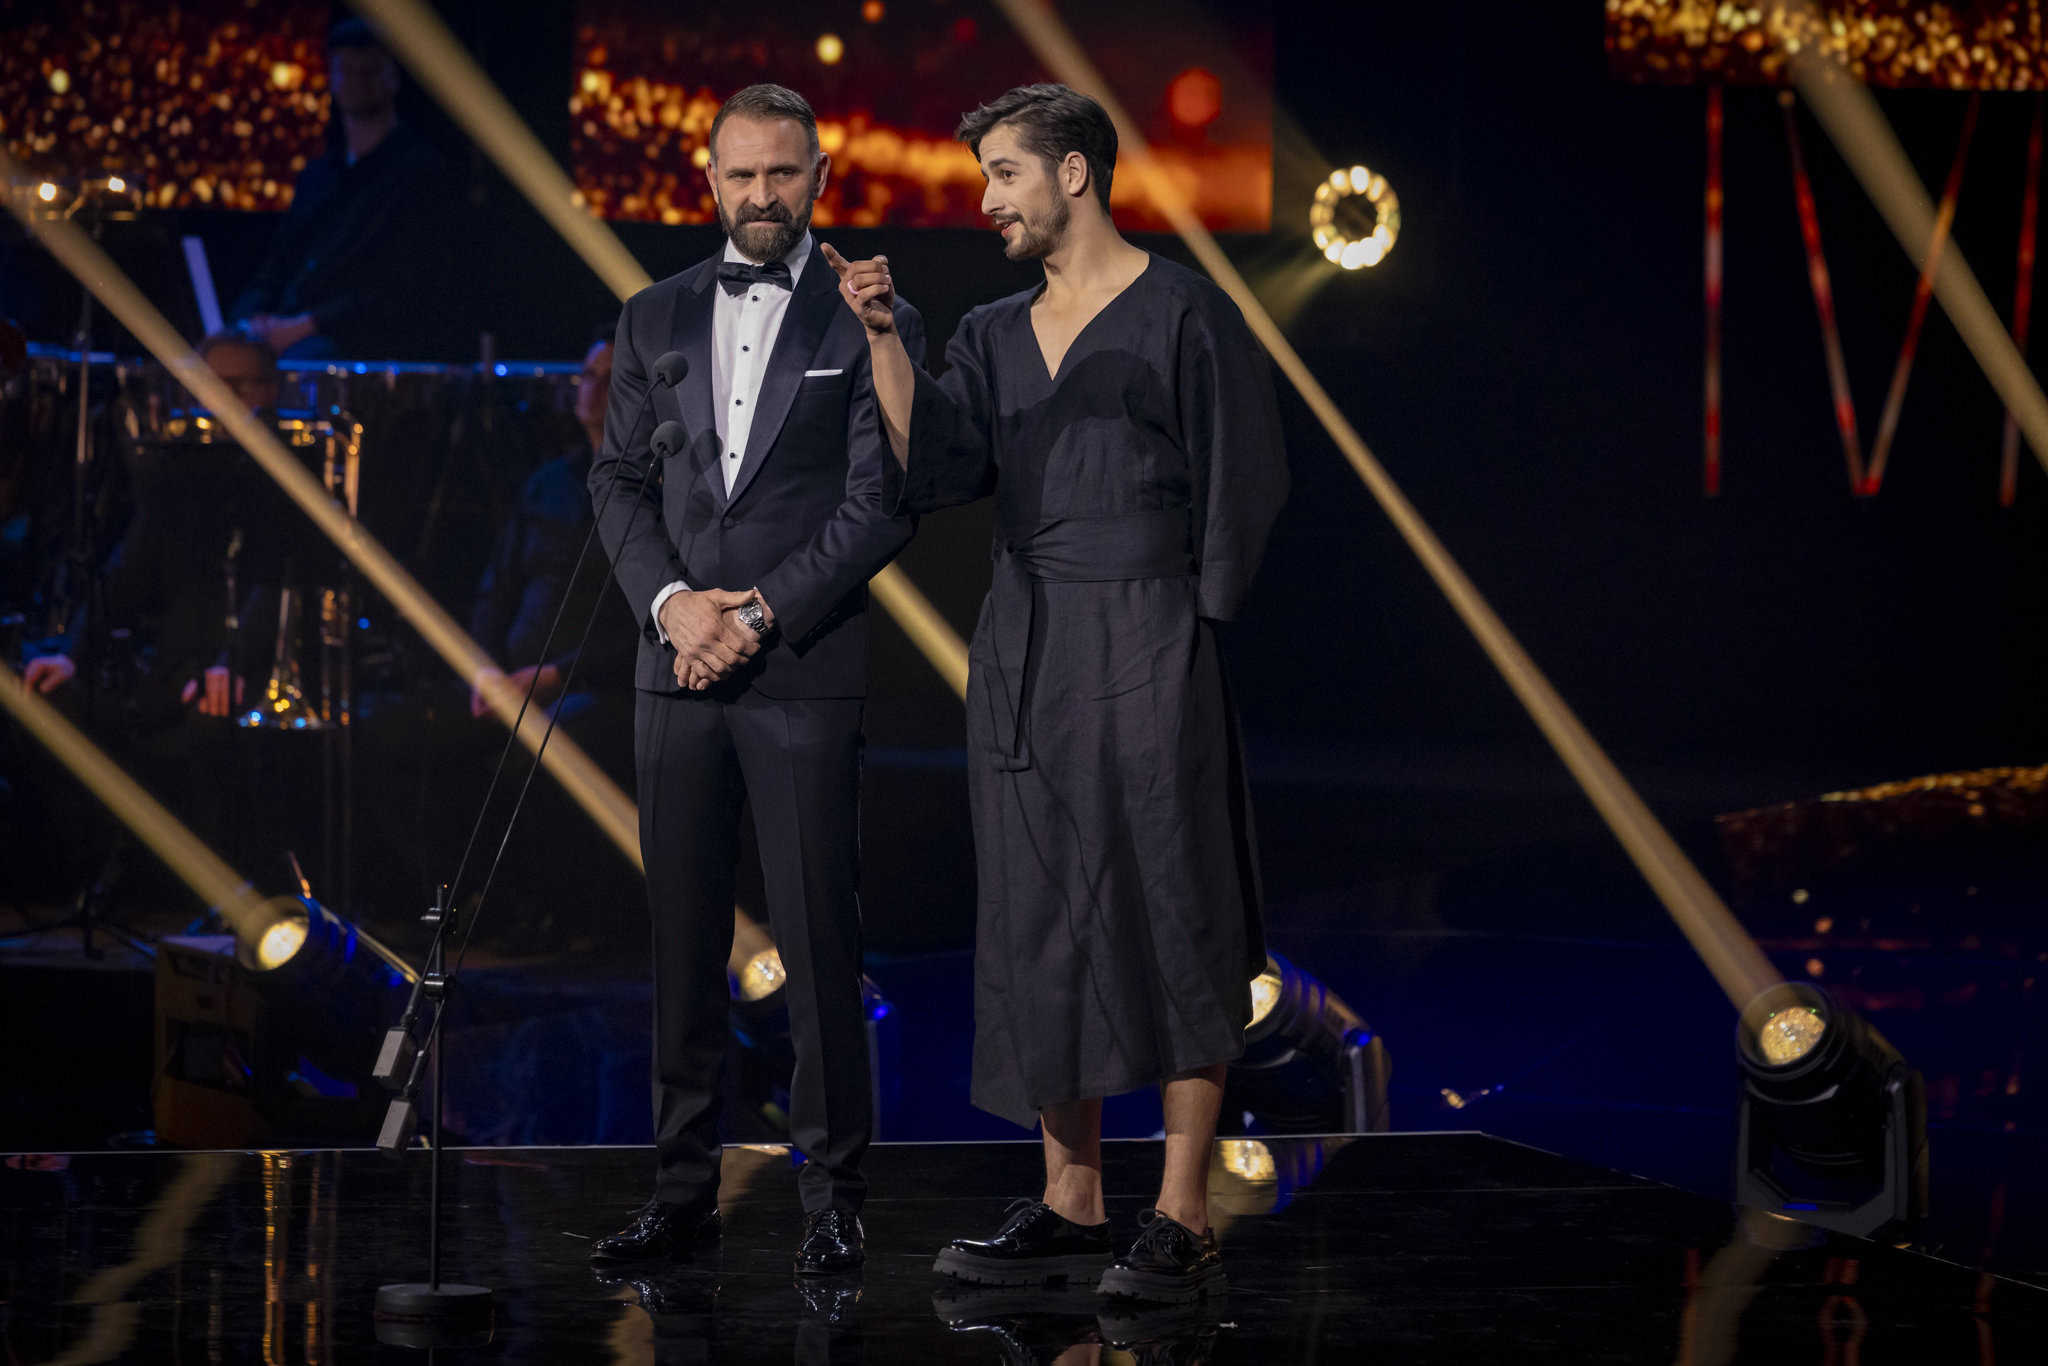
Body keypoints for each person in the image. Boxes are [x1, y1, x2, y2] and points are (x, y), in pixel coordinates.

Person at [822, 82, 1289, 1303]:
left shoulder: (1181, 309)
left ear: (1072, 172)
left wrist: (1194, 618)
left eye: (1004, 174)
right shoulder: (987, 331)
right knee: (1036, 913)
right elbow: (935, 466)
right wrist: (883, 336)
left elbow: (1244, 468)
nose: (987, 200)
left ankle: (1181, 1209)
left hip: (1146, 632)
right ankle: (1071, 1197)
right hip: (1026, 642)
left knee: (1174, 899)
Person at [586, 83, 925, 1277]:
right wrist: (674, 606)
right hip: (674, 664)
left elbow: (882, 502)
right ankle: (681, 1193)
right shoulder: (653, 315)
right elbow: (618, 483)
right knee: (683, 940)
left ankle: (834, 1200)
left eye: (783, 173)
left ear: (819, 179)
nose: (762, 195)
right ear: (709, 179)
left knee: (820, 943)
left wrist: (759, 613)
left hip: (800, 666)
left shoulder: (871, 318)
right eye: (741, 174)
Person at [229, 18, 448, 359]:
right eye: (346, 70)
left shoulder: (418, 171)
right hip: (289, 328)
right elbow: (277, 264)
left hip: (350, 343)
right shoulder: (318, 175)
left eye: (369, 70)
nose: (357, 81)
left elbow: (400, 287)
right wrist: (251, 319)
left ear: (392, 77)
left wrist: (305, 325)